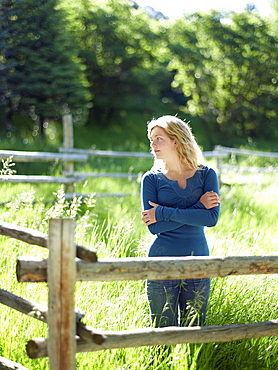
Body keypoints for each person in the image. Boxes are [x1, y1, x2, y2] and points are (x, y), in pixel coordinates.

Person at [141, 115, 220, 328]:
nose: (153, 144)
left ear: (176, 140)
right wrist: (198, 207)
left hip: (198, 261)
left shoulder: (206, 175)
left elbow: (211, 218)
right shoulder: (151, 179)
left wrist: (164, 212)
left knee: (194, 331)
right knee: (162, 334)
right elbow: (154, 227)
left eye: (159, 139)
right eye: (151, 139)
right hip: (160, 262)